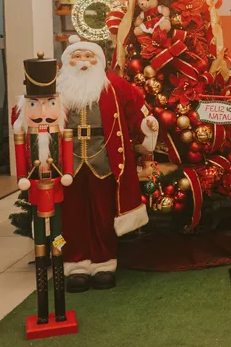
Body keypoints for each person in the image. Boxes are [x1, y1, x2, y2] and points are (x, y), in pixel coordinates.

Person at [56, 35, 159, 292]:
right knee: (73, 214)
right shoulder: (56, 87)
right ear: (67, 60)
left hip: (103, 157)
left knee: (103, 212)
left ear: (98, 60)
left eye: (88, 56)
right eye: (77, 56)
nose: (83, 62)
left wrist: (146, 125)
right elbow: (35, 111)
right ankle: (76, 264)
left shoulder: (114, 84)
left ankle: (104, 264)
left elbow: (136, 109)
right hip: (69, 160)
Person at [13, 52, 74, 326]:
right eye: (35, 105)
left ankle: (60, 310)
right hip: (37, 190)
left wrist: (68, 173)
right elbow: (21, 160)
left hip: (56, 190)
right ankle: (41, 312)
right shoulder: (23, 136)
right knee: (40, 242)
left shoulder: (62, 134)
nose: (43, 114)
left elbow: (68, 156)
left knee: (57, 239)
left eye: (50, 104)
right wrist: (23, 180)